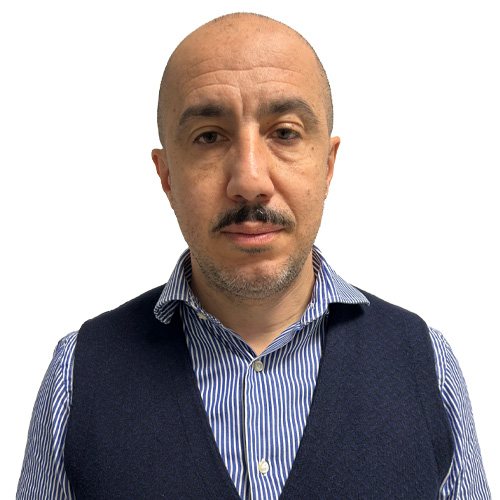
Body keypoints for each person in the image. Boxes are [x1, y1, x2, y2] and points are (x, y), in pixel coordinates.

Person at [17, 12, 490, 500]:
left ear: (328, 165)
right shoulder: (76, 377)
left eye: (284, 133)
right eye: (209, 136)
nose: (249, 181)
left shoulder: (427, 364)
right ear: (166, 175)